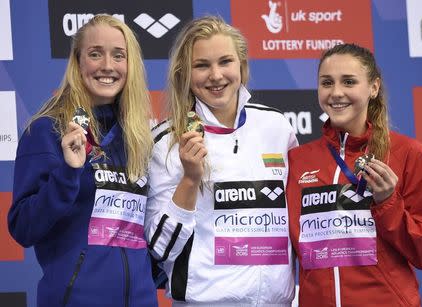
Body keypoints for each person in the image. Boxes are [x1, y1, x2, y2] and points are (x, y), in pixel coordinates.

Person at [144, 15, 298, 306]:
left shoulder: (277, 127)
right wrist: (190, 180)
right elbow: (160, 249)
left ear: (242, 65)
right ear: (185, 74)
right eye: (202, 65)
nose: (216, 75)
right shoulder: (166, 140)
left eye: (225, 61)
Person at [8, 14, 158, 307]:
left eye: (118, 55)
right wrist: (67, 174)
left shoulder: (140, 137)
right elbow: (24, 228)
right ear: (78, 63)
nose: (107, 66)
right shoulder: (47, 130)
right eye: (95, 54)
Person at [286, 43, 422, 306]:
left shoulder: (407, 152)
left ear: (374, 87)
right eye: (326, 83)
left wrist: (388, 202)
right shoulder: (298, 159)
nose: (336, 93)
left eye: (348, 82)